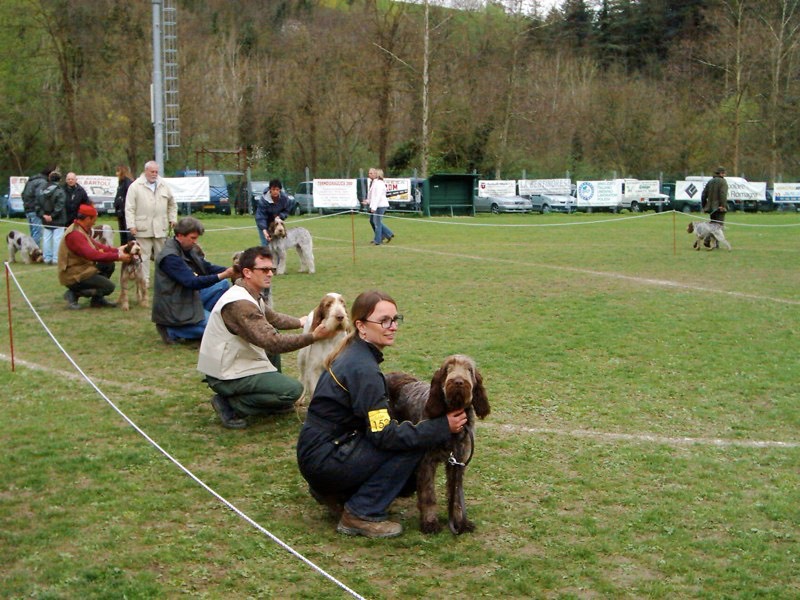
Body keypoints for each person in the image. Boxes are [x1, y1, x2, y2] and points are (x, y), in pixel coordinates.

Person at [296, 290, 467, 538]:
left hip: (318, 452)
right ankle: (360, 512)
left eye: (396, 319)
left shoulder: (354, 354)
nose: (393, 326)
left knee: (406, 436)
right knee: (413, 444)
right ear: (361, 327)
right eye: (384, 320)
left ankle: (334, 491)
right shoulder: (364, 369)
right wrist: (440, 427)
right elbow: (384, 436)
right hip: (324, 459)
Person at [197, 246, 337, 429]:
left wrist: (301, 322)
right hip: (224, 372)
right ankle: (231, 404)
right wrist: (313, 337)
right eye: (264, 270)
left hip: (231, 362)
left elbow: (274, 318)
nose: (270, 274)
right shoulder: (240, 304)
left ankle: (273, 399)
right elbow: (274, 342)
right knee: (294, 390)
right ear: (247, 272)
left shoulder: (249, 293)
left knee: (272, 346)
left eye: (272, 269)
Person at [152, 216, 236, 345]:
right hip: (174, 307)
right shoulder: (170, 257)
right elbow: (192, 282)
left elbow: (206, 268)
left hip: (187, 298)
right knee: (218, 328)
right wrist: (223, 274)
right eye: (193, 238)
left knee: (222, 285)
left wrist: (233, 271)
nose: (195, 242)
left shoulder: (187, 249)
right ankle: (171, 330)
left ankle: (199, 320)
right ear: (180, 235)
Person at [57, 203, 131, 309]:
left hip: (82, 270)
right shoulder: (75, 234)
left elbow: (97, 246)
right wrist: (118, 257)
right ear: (87, 219)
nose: (95, 222)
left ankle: (97, 301)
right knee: (109, 287)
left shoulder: (81, 229)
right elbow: (92, 254)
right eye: (94, 219)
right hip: (73, 275)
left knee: (108, 264)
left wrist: (118, 250)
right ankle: (73, 293)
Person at [125, 160, 177, 287]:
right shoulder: (135, 186)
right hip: (142, 228)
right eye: (152, 171)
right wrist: (131, 225)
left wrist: (172, 218)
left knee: (162, 256)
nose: (154, 174)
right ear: (145, 171)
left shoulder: (164, 185)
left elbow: (172, 204)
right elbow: (129, 207)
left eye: (156, 172)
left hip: (161, 227)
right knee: (144, 257)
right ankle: (144, 282)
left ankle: (163, 281)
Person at [39, 171, 68, 265]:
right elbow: (60, 205)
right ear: (60, 180)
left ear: (49, 178)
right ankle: (56, 259)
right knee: (57, 239)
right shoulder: (60, 191)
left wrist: (43, 215)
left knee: (46, 239)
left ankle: (46, 258)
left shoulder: (41, 190)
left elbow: (38, 204)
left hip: (45, 218)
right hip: (58, 219)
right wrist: (52, 216)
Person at [21, 165, 53, 247]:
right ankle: (35, 252)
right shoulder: (42, 182)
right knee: (37, 233)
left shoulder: (31, 181)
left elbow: (23, 194)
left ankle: (31, 251)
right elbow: (40, 197)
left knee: (33, 232)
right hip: (35, 210)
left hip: (28, 209)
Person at [255, 178, 291, 246]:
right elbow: (260, 217)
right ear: (270, 189)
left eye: (277, 190)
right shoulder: (263, 200)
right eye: (273, 189)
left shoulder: (285, 199)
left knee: (278, 246)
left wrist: (280, 216)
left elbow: (287, 210)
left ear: (280, 190)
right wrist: (264, 230)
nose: (275, 191)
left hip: (277, 224)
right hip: (265, 223)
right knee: (266, 244)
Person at [363, 168, 394, 245]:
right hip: (375, 205)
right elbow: (372, 196)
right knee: (373, 221)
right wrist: (367, 201)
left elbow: (378, 197)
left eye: (373, 173)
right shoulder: (374, 182)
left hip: (380, 205)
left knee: (377, 222)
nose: (371, 174)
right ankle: (388, 234)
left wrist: (373, 208)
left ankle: (378, 240)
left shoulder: (379, 183)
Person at [701, 166, 729, 249]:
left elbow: (703, 195)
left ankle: (715, 243)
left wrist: (705, 206)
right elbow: (723, 194)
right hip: (719, 208)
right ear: (721, 173)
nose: (725, 174)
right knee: (719, 227)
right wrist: (723, 206)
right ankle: (707, 239)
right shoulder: (723, 182)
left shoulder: (710, 182)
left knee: (713, 225)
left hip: (711, 208)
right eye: (724, 173)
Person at [113, 165, 133, 244]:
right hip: (120, 212)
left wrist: (122, 207)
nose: (116, 173)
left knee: (126, 232)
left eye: (118, 171)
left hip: (125, 212)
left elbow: (128, 197)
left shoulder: (127, 182)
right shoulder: (121, 183)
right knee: (122, 232)